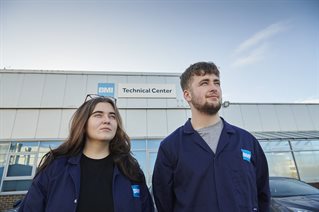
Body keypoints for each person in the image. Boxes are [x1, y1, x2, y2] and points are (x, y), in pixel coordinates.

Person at [152, 62, 270, 212]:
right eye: (204, 83)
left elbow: (262, 194)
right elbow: (164, 202)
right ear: (187, 95)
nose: (214, 88)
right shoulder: (170, 147)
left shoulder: (246, 141)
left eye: (217, 82)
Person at [19, 94, 154, 212]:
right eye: (98, 115)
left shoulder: (130, 169)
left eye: (112, 116)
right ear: (83, 124)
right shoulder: (55, 167)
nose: (107, 120)